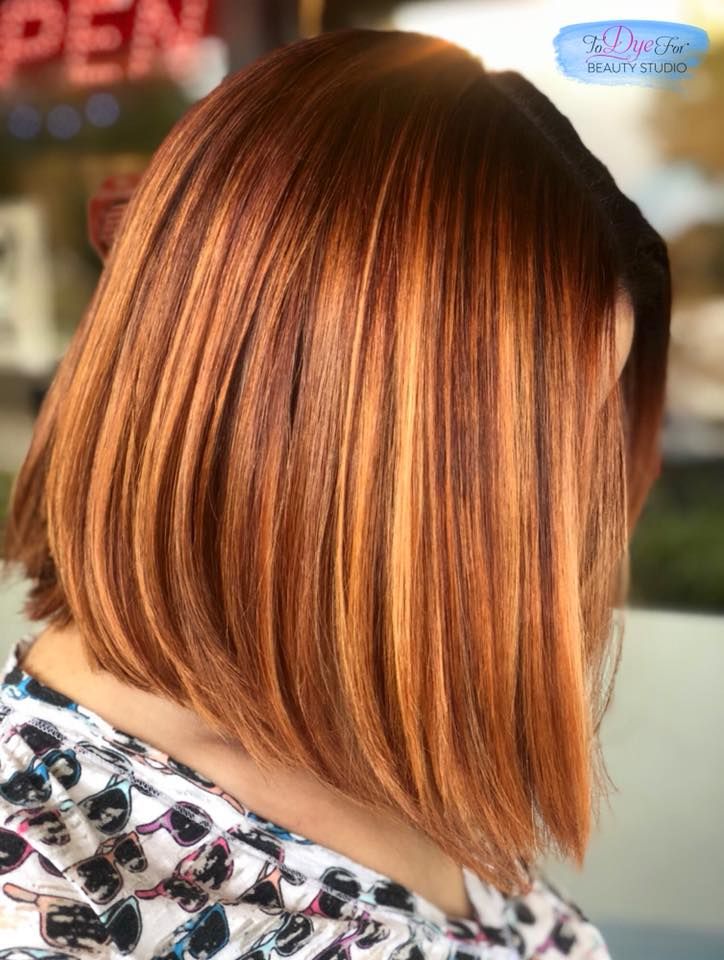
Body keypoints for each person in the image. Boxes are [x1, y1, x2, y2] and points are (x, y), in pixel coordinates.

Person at [0, 27, 670, 959]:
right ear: (307, 424)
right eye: (525, 460)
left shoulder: (349, 707)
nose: (554, 526)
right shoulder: (41, 887)